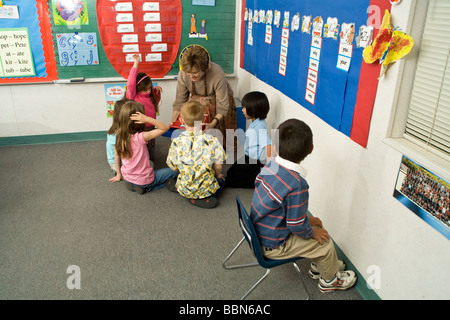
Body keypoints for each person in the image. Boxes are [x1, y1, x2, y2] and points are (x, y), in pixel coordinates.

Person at [250, 119, 357, 293]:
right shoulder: (297, 185)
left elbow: (278, 207)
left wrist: (308, 220)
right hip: (274, 245)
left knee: (314, 224)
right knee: (325, 243)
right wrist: (312, 232)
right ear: (311, 149)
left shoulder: (270, 166)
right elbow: (295, 225)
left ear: (275, 147)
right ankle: (329, 280)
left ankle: (321, 266)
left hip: (261, 230)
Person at [171, 46, 237, 151]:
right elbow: (180, 99)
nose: (190, 76)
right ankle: (197, 148)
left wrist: (213, 123)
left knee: (206, 106)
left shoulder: (217, 73)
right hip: (198, 97)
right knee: (192, 109)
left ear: (205, 68)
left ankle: (215, 150)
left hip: (221, 100)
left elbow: (223, 104)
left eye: (195, 73)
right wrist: (175, 119)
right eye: (188, 73)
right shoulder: (183, 74)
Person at [166, 101, 227, 209]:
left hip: (185, 187)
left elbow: (173, 168)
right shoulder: (212, 140)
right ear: (203, 120)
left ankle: (180, 189)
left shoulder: (176, 142)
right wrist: (218, 175)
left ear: (181, 120)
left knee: (177, 177)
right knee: (222, 181)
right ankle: (202, 198)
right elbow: (218, 166)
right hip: (207, 189)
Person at [109, 101, 177, 194]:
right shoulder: (140, 137)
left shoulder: (119, 136)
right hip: (143, 180)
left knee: (151, 163)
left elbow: (116, 155)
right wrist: (147, 119)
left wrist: (118, 174)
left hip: (127, 178)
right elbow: (165, 128)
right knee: (174, 171)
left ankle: (137, 185)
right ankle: (147, 188)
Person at [226, 91, 271, 188]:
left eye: (244, 108)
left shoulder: (260, 126)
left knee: (231, 179)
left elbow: (268, 145)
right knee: (230, 173)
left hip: (254, 162)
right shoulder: (256, 121)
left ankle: (259, 180)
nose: (242, 110)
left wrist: (269, 168)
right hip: (248, 157)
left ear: (253, 110)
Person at [126, 53, 163, 160]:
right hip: (139, 128)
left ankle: (150, 161)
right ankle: (142, 162)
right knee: (140, 149)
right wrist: (136, 64)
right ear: (137, 88)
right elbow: (130, 83)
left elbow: (155, 102)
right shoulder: (132, 95)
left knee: (151, 146)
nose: (148, 91)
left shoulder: (149, 95)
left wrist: (156, 92)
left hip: (151, 126)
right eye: (145, 89)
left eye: (149, 88)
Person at [106, 98, 130, 175]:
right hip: (117, 161)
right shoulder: (115, 132)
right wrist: (119, 173)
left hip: (122, 155)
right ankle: (117, 171)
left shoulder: (122, 126)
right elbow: (116, 155)